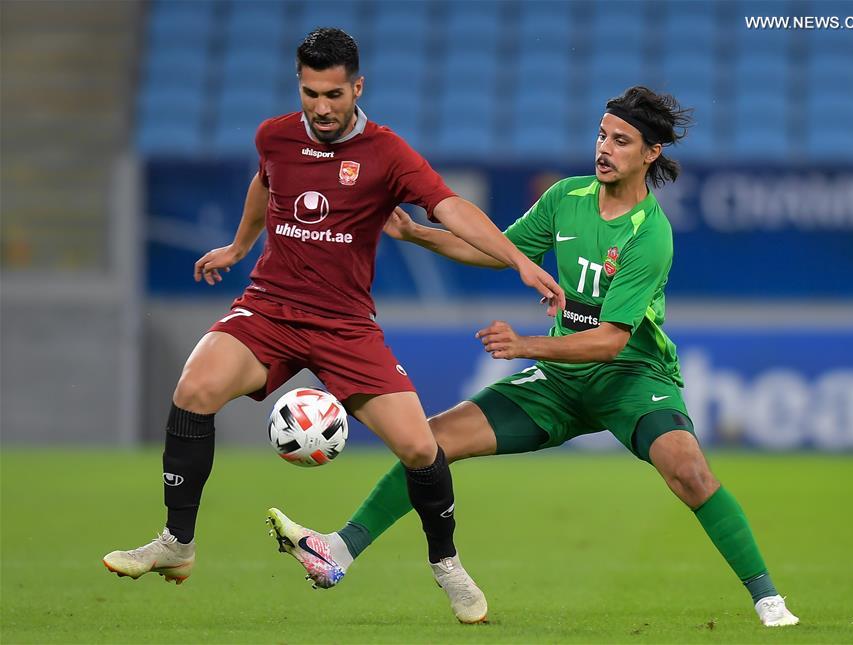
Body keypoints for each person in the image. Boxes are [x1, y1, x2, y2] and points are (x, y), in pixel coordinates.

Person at [272, 86, 800, 628]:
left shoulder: (651, 235)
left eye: (621, 141)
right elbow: (499, 250)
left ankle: (768, 601)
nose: (604, 148)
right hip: (559, 382)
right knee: (430, 443)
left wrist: (524, 345)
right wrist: (417, 234)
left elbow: (612, 340)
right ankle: (338, 550)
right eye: (601, 135)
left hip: (633, 379)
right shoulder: (566, 198)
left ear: (650, 154)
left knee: (689, 473)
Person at [102, 27, 565, 625]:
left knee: (421, 446)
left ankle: (446, 564)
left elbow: (449, 207)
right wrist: (240, 246)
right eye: (310, 93)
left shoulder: (387, 152)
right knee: (194, 389)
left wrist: (520, 261)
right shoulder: (274, 135)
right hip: (270, 308)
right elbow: (265, 183)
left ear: (357, 87)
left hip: (345, 325)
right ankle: (177, 542)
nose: (321, 107)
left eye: (333, 94)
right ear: (300, 85)